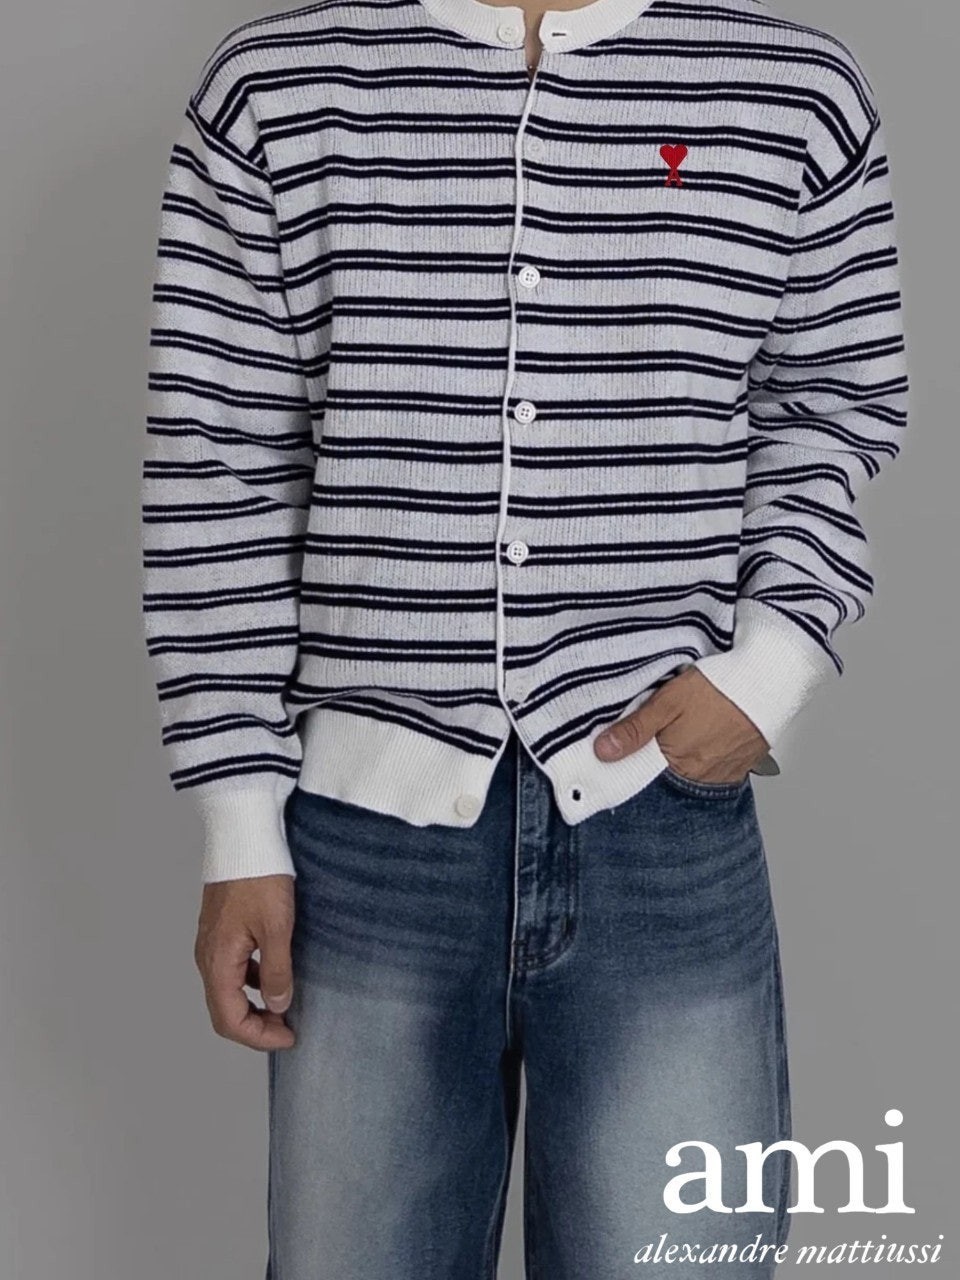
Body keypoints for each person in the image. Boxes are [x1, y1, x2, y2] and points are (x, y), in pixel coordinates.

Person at [140, 0, 909, 1273]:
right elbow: (220, 463)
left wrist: (773, 662)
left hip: (660, 820)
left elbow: (830, 402)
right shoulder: (281, 85)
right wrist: (237, 821)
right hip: (364, 843)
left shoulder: (791, 88)